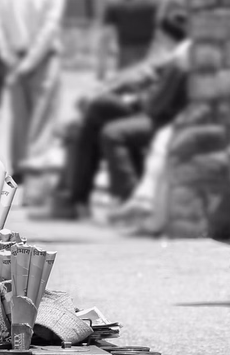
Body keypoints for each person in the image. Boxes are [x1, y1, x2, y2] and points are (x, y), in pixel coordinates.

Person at [49, 12, 190, 220]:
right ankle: (81, 196)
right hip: (153, 110)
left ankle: (85, 197)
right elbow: (144, 74)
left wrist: (130, 100)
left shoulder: (178, 59)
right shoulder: (175, 55)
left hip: (159, 117)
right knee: (91, 118)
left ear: (167, 36)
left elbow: (155, 104)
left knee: (101, 121)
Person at [0, 0, 68, 177]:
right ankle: (37, 180)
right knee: (43, 120)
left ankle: (20, 170)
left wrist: (10, 59)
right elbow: (48, 30)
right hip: (43, 60)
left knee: (20, 120)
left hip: (14, 58)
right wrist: (29, 63)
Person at [102, 0, 162, 72]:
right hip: (150, 58)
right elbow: (163, 30)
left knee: (125, 90)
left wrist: (101, 69)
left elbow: (105, 36)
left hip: (125, 60)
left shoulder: (114, 0)